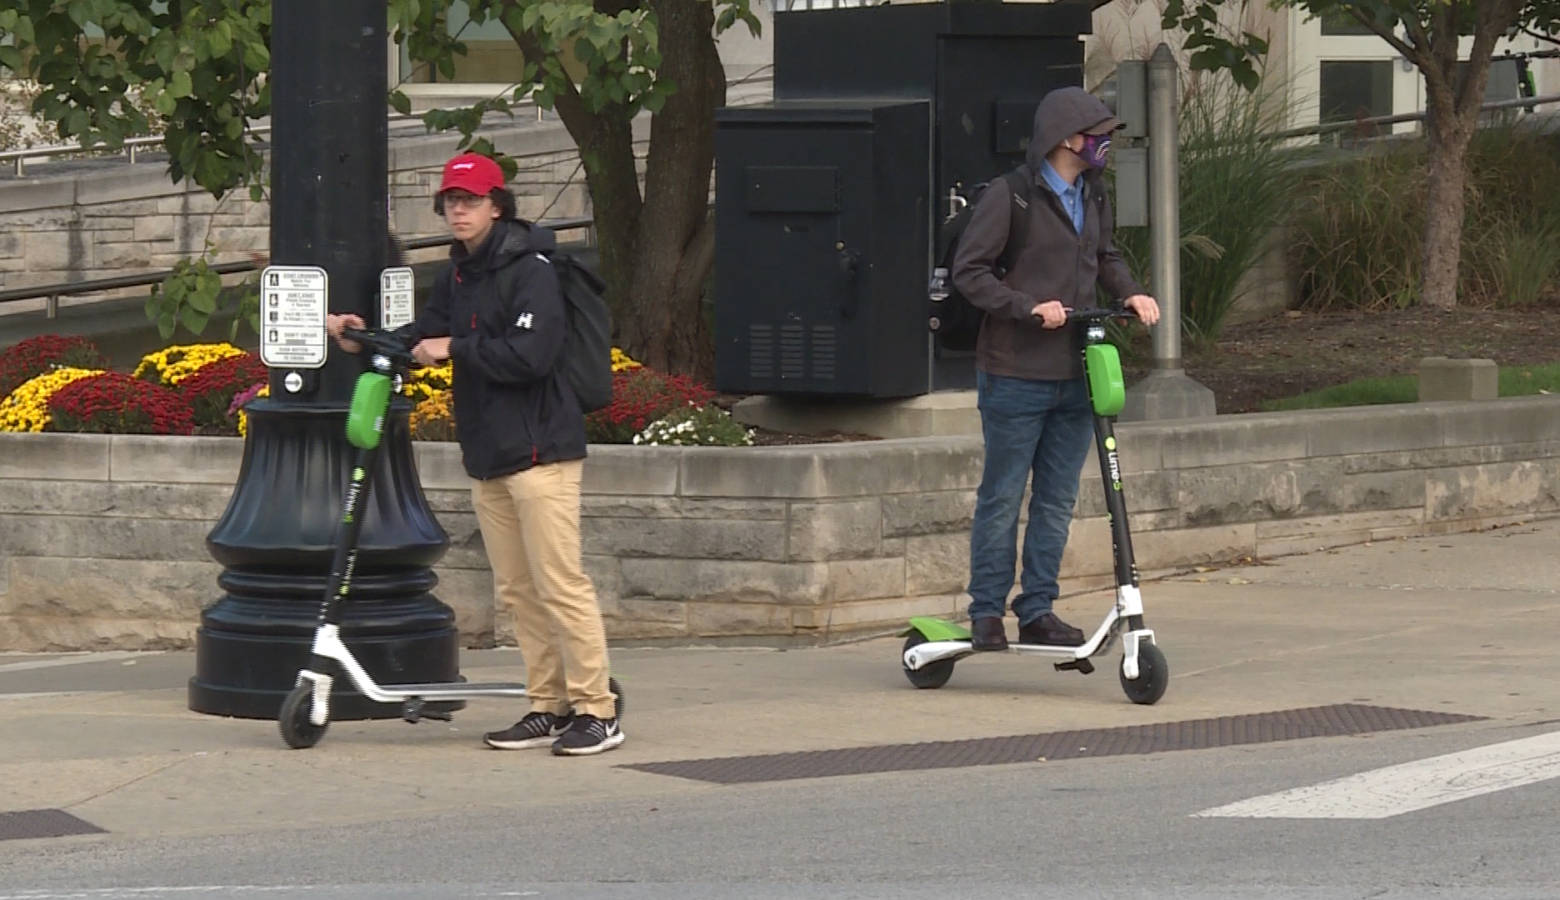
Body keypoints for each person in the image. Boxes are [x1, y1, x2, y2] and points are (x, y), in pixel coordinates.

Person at [327, 152, 622, 756]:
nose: (458, 211)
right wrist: (360, 336)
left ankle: (597, 709)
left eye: (470, 201)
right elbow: (421, 336)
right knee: (517, 589)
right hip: (490, 452)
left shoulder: (532, 267)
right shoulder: (459, 273)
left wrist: (457, 348)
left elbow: (531, 355)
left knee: (560, 582)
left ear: (497, 205)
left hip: (543, 451)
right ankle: (547, 704)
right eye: (450, 202)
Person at [950, 86, 1161, 652]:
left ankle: (1037, 609)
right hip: (1015, 372)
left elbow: (1106, 257)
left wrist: (1134, 294)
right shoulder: (1010, 196)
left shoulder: (1093, 193)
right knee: (1002, 495)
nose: (1107, 144)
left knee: (1057, 497)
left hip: (1076, 371)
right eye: (1100, 135)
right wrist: (1027, 306)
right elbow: (970, 273)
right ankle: (986, 613)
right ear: (1068, 139)